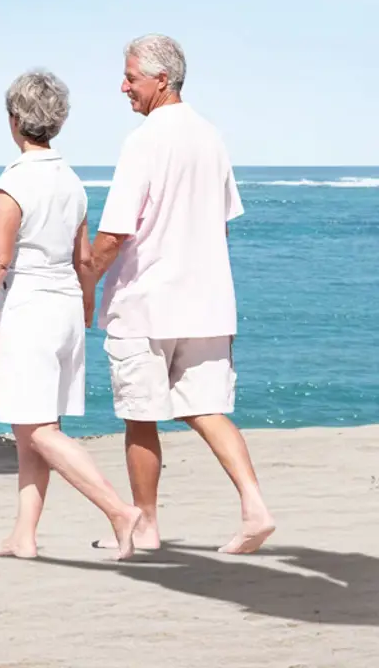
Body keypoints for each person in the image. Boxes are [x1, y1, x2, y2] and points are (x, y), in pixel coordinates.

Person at [87, 34, 275, 555]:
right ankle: (255, 507)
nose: (123, 87)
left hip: (146, 303)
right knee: (208, 408)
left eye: (131, 77)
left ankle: (146, 526)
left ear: (161, 79)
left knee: (140, 415)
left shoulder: (143, 140)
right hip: (208, 302)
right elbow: (221, 224)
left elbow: (115, 232)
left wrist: (84, 283)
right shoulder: (211, 137)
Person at [0, 70, 142, 561]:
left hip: (31, 310)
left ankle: (120, 511)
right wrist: (86, 304)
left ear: (14, 120)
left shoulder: (14, 183)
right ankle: (24, 535)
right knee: (32, 430)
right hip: (63, 308)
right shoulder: (71, 182)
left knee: (39, 430)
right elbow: (83, 259)